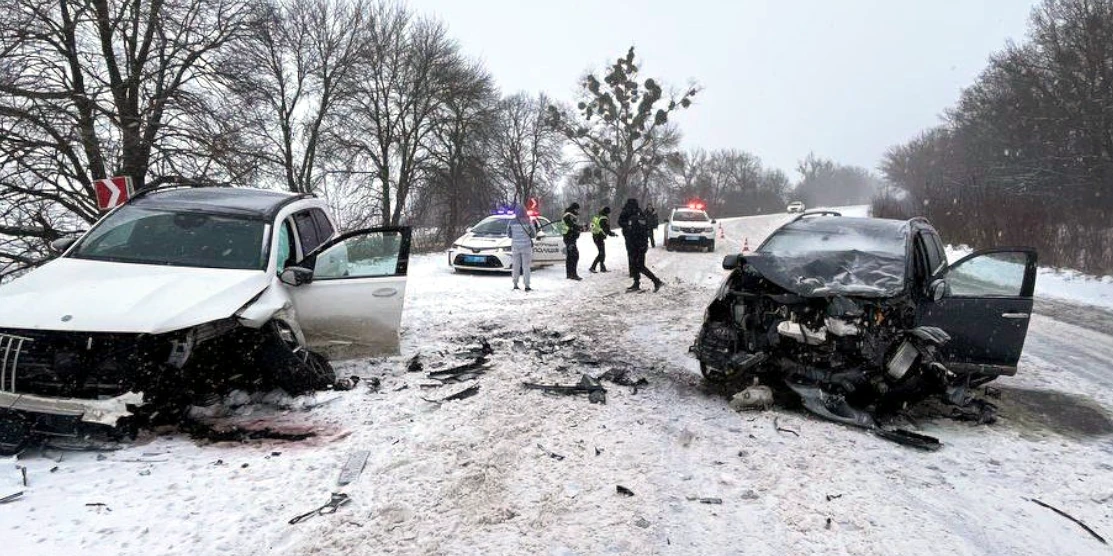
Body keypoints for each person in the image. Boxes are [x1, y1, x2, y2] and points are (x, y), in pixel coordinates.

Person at [618, 198, 663, 292]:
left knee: (639, 265)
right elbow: (645, 229)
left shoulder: (632, 214)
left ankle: (656, 281)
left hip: (635, 244)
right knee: (636, 264)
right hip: (638, 244)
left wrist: (628, 227)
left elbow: (638, 230)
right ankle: (637, 283)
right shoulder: (639, 214)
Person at [507, 205, 536, 291]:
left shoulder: (511, 222)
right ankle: (527, 285)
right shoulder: (528, 221)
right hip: (526, 246)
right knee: (526, 266)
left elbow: (508, 234)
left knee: (516, 265)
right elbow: (533, 234)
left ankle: (515, 284)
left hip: (515, 246)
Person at [589, 206, 617, 273]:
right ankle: (593, 267)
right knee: (601, 253)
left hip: (595, 236)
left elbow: (591, 226)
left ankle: (602, 267)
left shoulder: (597, 217)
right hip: (599, 237)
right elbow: (606, 229)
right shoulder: (604, 218)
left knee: (601, 253)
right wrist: (612, 234)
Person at [562, 202, 583, 280]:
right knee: (574, 256)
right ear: (574, 209)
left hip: (569, 238)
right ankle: (573, 274)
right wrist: (580, 228)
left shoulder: (568, 214)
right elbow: (571, 225)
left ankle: (569, 274)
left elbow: (572, 225)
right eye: (577, 209)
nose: (578, 211)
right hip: (569, 238)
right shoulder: (568, 215)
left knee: (570, 256)